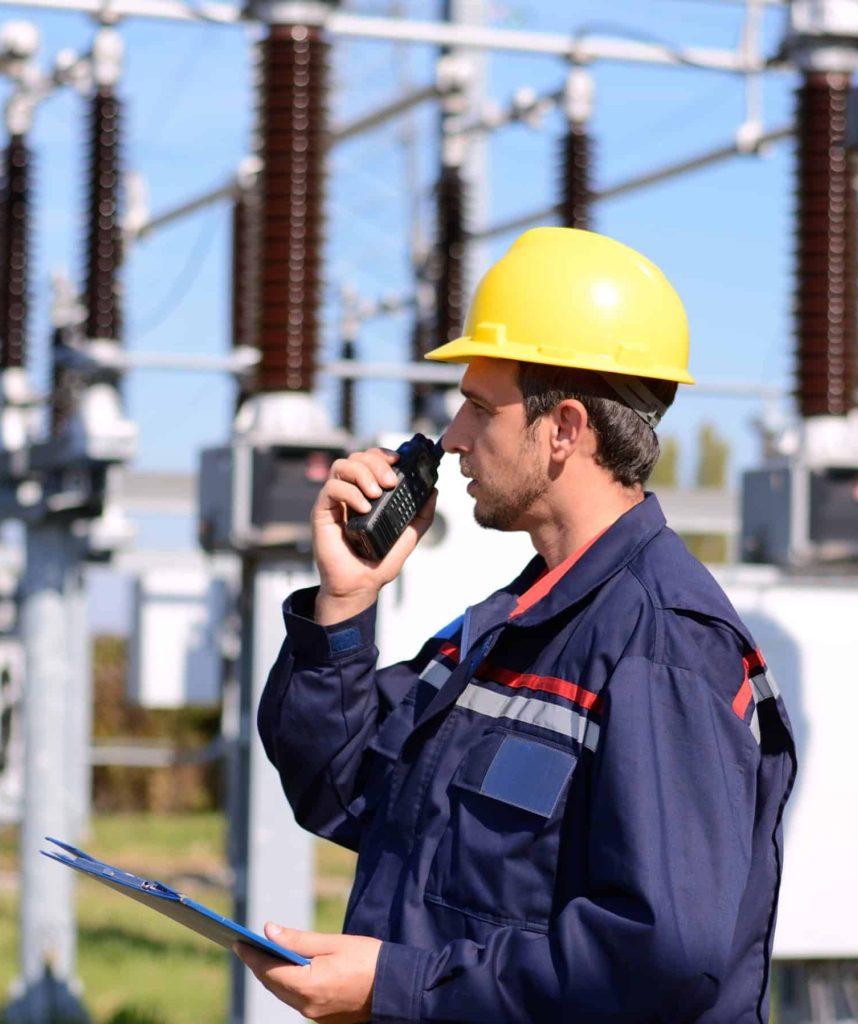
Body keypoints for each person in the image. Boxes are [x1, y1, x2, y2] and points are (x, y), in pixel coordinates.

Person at [235, 227, 797, 1023]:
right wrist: (346, 601)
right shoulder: (507, 631)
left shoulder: (663, 645)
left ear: (564, 428)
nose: (454, 438)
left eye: (476, 406)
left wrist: (396, 986)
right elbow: (340, 786)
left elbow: (662, 957)